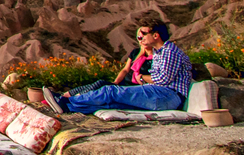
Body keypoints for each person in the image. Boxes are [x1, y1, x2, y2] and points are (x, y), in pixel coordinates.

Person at [42, 17, 192, 115]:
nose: (140, 38)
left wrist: (142, 77)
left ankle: (65, 100)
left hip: (167, 95)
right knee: (111, 102)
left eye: (143, 35)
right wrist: (145, 79)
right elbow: (156, 77)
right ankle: (68, 107)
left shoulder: (169, 51)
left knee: (109, 91)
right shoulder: (160, 52)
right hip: (160, 94)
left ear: (155, 35)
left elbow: (163, 79)